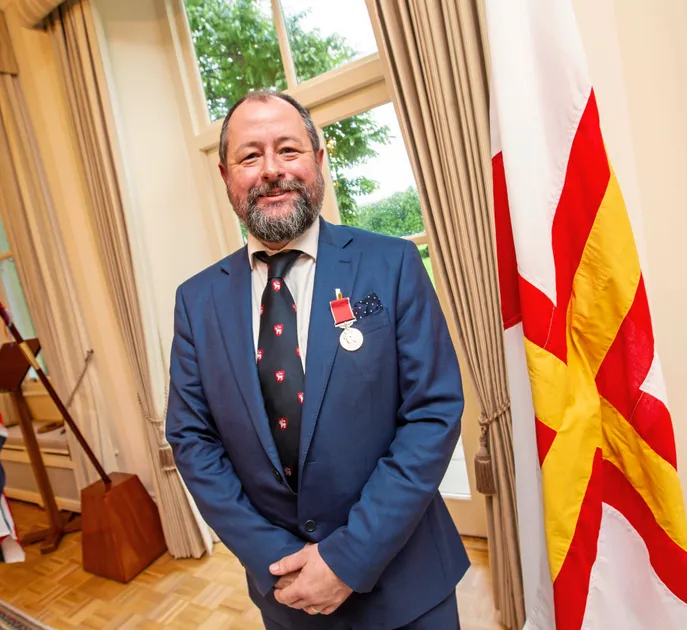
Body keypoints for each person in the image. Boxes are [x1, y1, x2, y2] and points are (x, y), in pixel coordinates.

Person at [164, 90, 468, 629]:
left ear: (319, 159)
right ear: (225, 175)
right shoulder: (196, 301)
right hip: (288, 595)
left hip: (407, 585)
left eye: (288, 149)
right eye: (250, 156)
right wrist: (273, 562)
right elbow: (193, 439)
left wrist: (348, 558)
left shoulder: (391, 264)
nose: (272, 170)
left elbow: (432, 413)